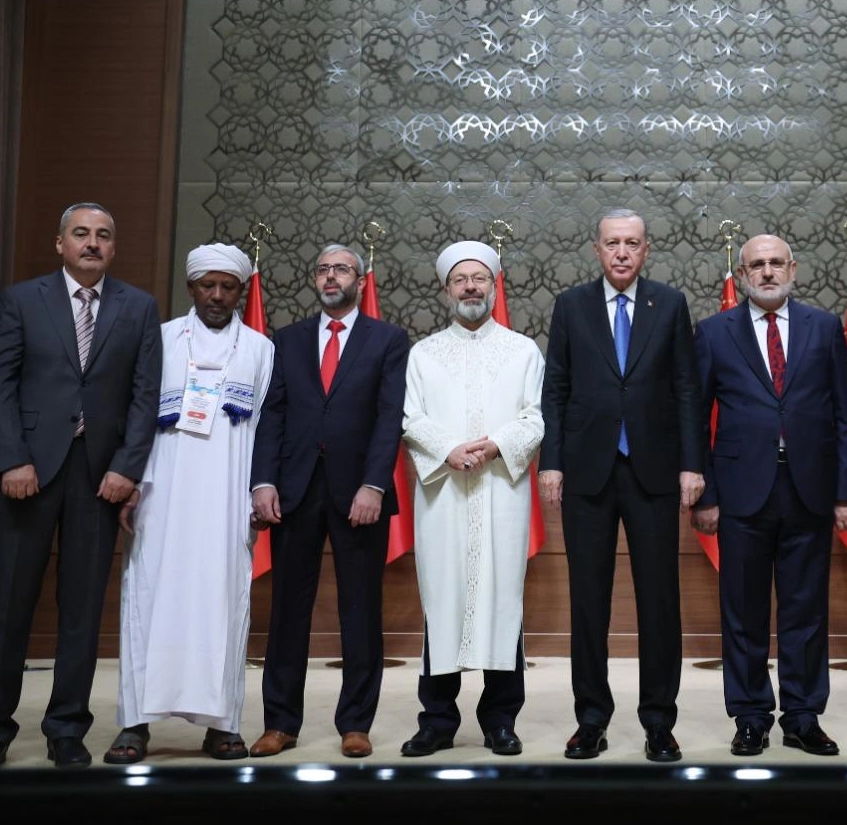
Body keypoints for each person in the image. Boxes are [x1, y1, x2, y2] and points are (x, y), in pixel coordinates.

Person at [0, 203, 163, 769]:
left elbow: (145, 397)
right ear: (60, 244)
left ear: (113, 247)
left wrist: (127, 468)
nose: (92, 243)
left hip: (99, 477)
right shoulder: (22, 300)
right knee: (7, 605)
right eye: (81, 234)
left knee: (80, 610)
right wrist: (10, 461)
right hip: (28, 472)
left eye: (103, 235)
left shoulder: (138, 307)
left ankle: (67, 729)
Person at [540, 209, 705, 762]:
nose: (621, 253)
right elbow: (556, 388)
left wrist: (691, 464)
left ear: (646, 249)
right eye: (612, 243)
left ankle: (659, 720)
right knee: (589, 602)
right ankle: (591, 719)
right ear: (597, 248)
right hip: (587, 472)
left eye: (631, 244)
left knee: (659, 602)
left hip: (655, 471)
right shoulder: (571, 306)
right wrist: (552, 462)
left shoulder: (671, 303)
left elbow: (687, 389)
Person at [692, 234, 847, 757]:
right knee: (742, 611)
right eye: (756, 266)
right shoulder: (714, 332)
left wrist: (846, 492)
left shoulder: (826, 327)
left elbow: (846, 417)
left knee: (805, 611)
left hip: (809, 490)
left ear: (794, 268)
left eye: (775, 264)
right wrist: (706, 496)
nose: (767, 273)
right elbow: (695, 421)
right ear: (740, 275)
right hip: (742, 493)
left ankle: (803, 715)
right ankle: (749, 716)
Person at [107, 243, 274, 764]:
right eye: (208, 286)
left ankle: (222, 726)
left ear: (241, 292)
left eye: (228, 287)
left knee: (222, 602)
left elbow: (268, 427)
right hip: (163, 492)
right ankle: (135, 724)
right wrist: (132, 480)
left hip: (227, 497)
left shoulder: (260, 349)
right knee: (150, 597)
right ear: (191, 289)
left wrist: (258, 490)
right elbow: (135, 415)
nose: (218, 296)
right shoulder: (159, 340)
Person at [248, 243, 408, 760]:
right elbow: (272, 415)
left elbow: (390, 418)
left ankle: (356, 722)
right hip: (294, 489)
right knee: (288, 610)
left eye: (341, 269)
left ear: (360, 281)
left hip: (359, 491)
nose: (331, 276)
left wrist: (375, 484)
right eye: (322, 269)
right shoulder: (288, 340)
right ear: (314, 280)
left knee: (359, 609)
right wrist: (263, 482)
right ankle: (280, 722)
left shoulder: (388, 339)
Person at [398, 241, 544, 758]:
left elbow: (534, 417)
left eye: (480, 278)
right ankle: (436, 720)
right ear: (446, 290)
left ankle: (500, 720)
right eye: (460, 279)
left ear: (494, 285)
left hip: (502, 490)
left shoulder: (524, 349)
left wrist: (497, 445)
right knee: (442, 602)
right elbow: (411, 419)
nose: (471, 287)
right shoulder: (423, 353)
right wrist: (448, 449)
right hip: (443, 497)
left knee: (504, 600)